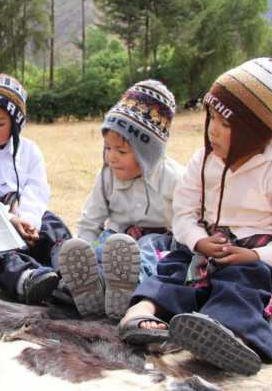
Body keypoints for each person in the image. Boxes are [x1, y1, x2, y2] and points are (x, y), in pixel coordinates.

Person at [119, 58, 272, 376]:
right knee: (174, 268)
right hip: (204, 247)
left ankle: (230, 333)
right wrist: (197, 240)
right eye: (212, 118)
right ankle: (143, 310)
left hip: (251, 255)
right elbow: (183, 212)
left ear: (254, 131)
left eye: (226, 123)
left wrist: (254, 254)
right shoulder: (202, 160)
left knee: (241, 284)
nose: (212, 130)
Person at [58, 80, 183, 320]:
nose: (111, 157)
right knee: (101, 248)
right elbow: (91, 220)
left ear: (148, 154)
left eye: (121, 151)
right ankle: (91, 286)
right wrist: (84, 245)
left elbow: (184, 223)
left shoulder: (174, 178)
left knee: (146, 253)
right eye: (107, 148)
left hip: (157, 239)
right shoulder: (106, 175)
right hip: (116, 235)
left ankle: (129, 287)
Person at [0, 74, 71, 304]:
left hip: (29, 221)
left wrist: (28, 221)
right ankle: (27, 279)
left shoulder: (30, 151)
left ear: (15, 124)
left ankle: (69, 268)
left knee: (51, 224)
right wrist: (10, 220)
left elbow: (36, 190)